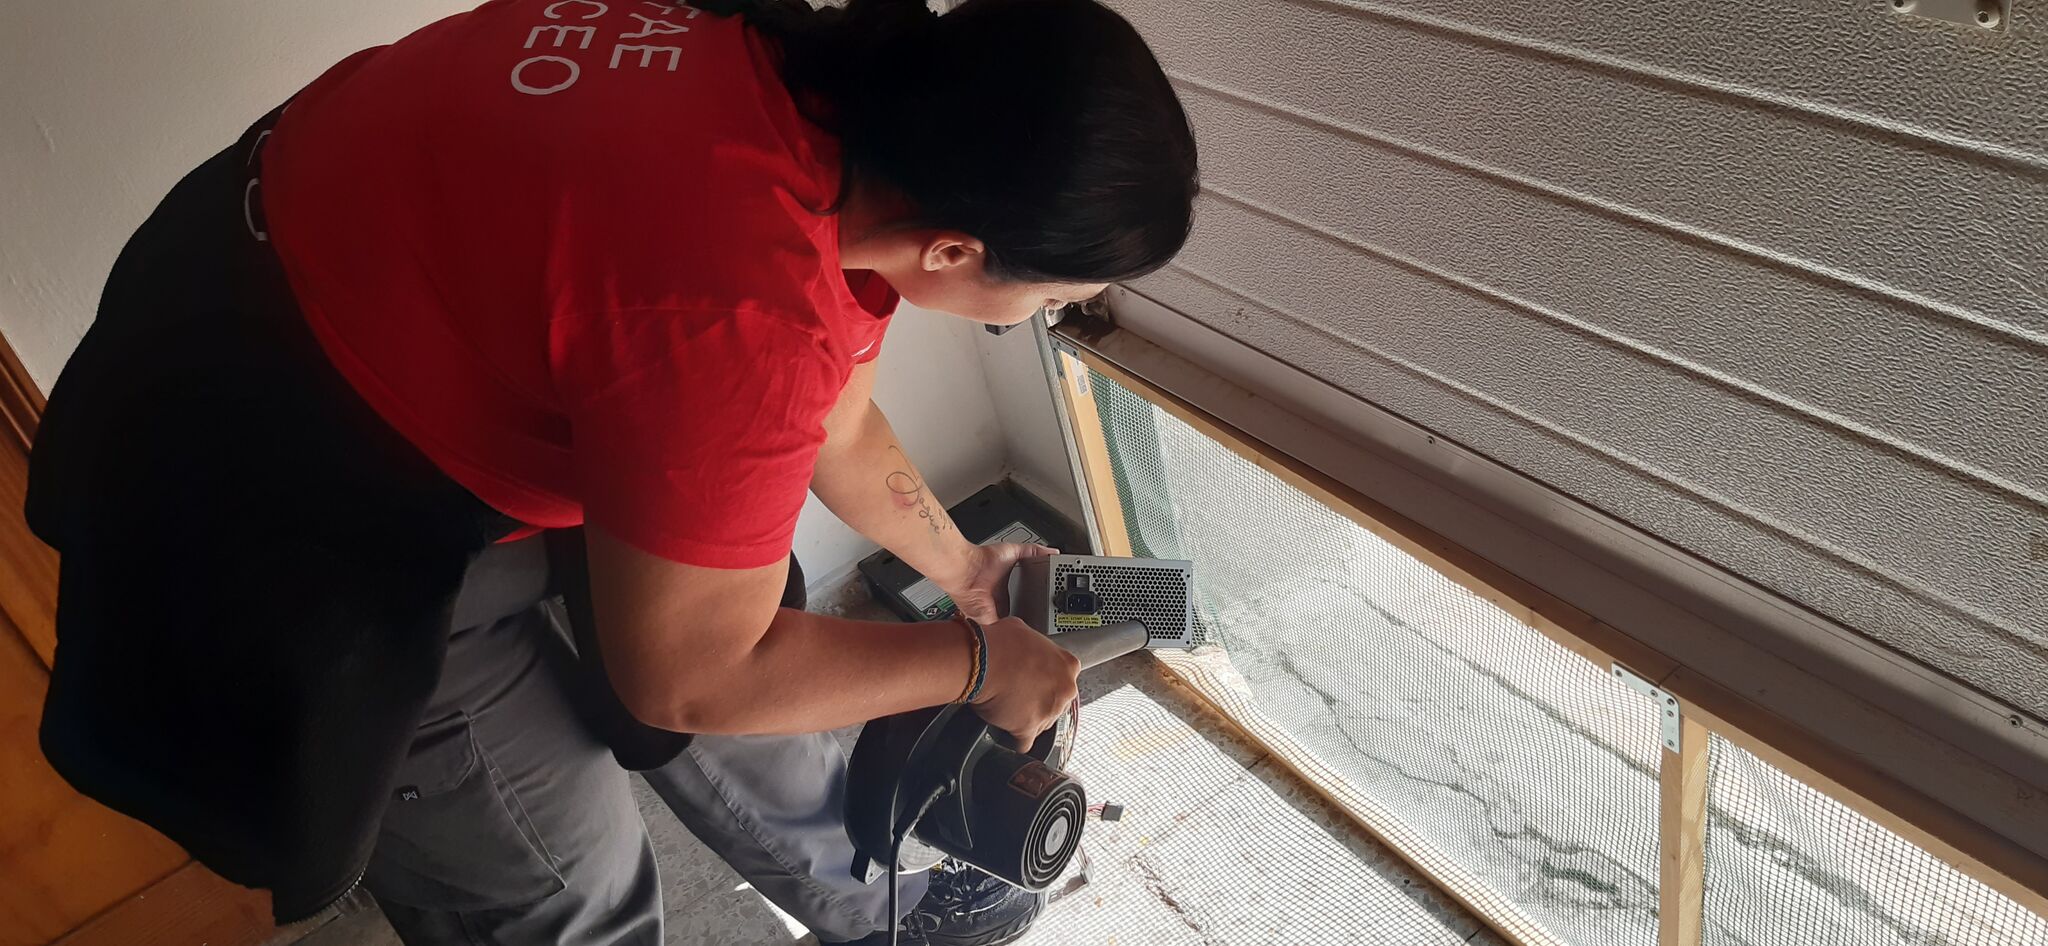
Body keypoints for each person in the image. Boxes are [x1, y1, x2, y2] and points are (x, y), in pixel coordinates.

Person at [23, 0, 1197, 943]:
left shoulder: (818, 83)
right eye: (1043, 300)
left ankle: (876, 888)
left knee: (754, 647)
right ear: (953, 249)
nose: (1032, 318)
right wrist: (979, 663)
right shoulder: (738, 306)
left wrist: (969, 577)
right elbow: (687, 674)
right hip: (293, 491)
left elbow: (834, 427)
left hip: (375, 304)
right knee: (569, 894)